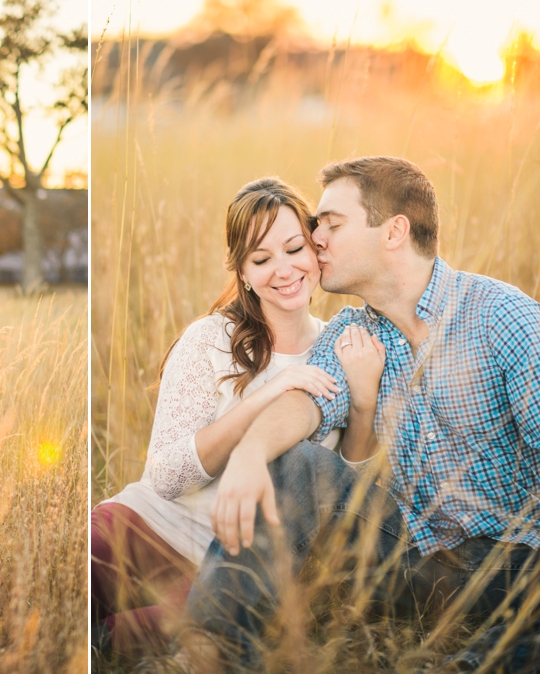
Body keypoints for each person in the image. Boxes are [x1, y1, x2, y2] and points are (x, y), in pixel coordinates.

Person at [167, 156, 540, 673]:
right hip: (410, 558)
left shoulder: (502, 318)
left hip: (519, 562)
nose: (315, 238)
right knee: (293, 464)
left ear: (394, 232)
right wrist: (251, 452)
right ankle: (204, 656)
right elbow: (302, 403)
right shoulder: (353, 331)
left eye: (331, 224)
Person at [91, 178, 385, 663]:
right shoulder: (210, 340)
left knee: (124, 642)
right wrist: (261, 398)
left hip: (231, 567)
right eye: (262, 259)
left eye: (294, 248)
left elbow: (339, 498)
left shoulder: (344, 345)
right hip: (143, 527)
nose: (284, 269)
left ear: (316, 250)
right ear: (244, 273)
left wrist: (364, 403)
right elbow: (165, 476)